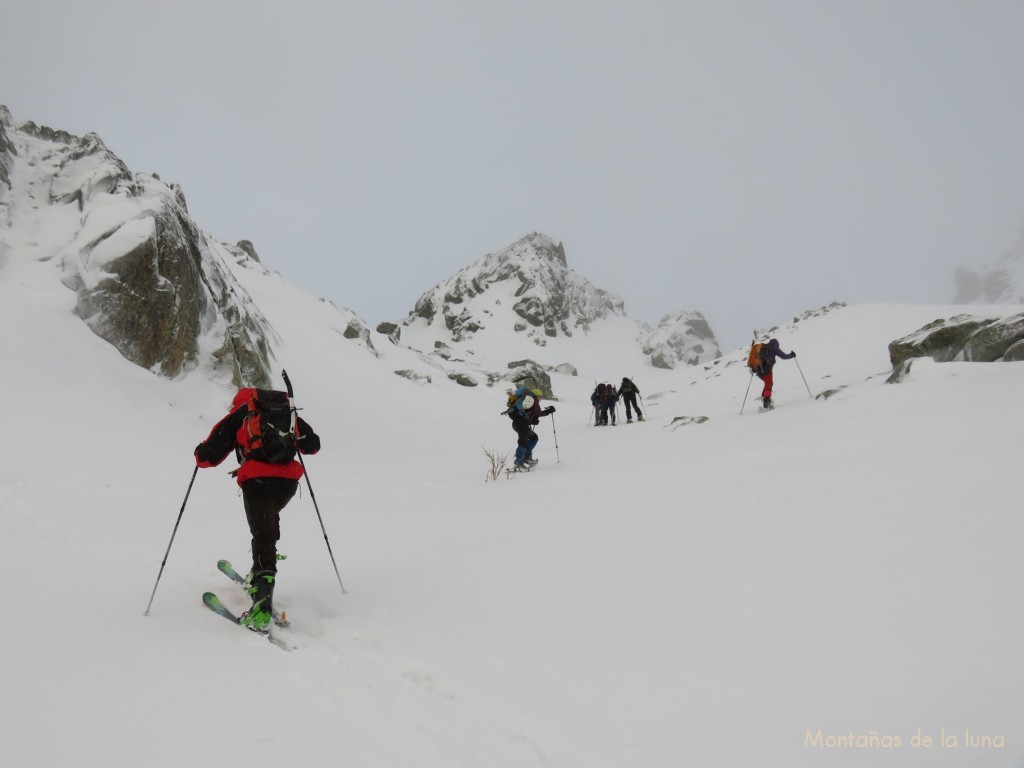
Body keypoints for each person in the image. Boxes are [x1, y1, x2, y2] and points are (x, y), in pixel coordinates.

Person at [194, 388, 321, 630]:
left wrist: (199, 452)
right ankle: (259, 574)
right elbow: (313, 445)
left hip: (257, 482)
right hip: (287, 484)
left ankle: (261, 607)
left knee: (263, 537)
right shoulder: (288, 413)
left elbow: (207, 457)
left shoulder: (240, 415)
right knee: (267, 528)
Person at [509, 390, 555, 470]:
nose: (540, 399)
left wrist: (532, 420)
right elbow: (538, 413)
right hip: (522, 424)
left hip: (517, 424)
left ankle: (527, 458)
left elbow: (526, 414)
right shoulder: (534, 401)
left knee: (533, 437)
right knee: (523, 442)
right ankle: (519, 462)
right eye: (540, 397)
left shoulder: (527, 401)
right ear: (537, 396)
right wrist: (548, 411)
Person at [757, 338, 796, 410]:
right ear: (777, 344)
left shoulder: (764, 348)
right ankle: (766, 404)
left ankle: (765, 398)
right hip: (767, 369)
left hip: (758, 370)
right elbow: (784, 356)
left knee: (768, 383)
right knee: (768, 385)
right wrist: (791, 355)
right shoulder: (774, 347)